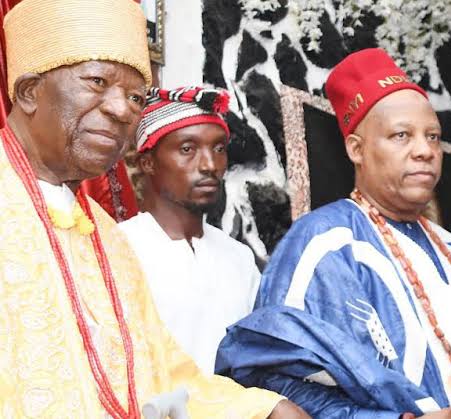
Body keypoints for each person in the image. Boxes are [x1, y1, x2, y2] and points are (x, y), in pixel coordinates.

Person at [0, 0, 308, 417]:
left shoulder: (106, 238)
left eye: (134, 97)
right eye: (96, 81)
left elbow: (161, 372)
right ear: (29, 92)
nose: (121, 109)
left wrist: (262, 408)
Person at [215, 48, 451, 418]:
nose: (424, 151)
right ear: (357, 149)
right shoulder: (322, 242)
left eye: (432, 136)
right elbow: (273, 386)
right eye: (401, 135)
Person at [119, 86, 261, 374]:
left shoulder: (239, 258)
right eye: (187, 149)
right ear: (147, 162)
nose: (210, 165)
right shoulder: (118, 250)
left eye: (219, 149)